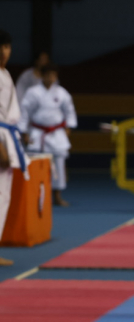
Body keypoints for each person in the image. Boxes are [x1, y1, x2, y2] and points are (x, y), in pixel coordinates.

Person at [17, 64, 77, 207]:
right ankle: (34, 195)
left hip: (56, 134)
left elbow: (69, 111)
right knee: (36, 166)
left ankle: (57, 196)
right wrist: (24, 132)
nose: (51, 77)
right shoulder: (33, 92)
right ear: (42, 76)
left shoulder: (62, 93)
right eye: (48, 74)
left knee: (59, 166)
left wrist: (68, 127)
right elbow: (25, 112)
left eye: (54, 75)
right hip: (38, 133)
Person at [0, 29, 23, 267]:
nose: (4, 52)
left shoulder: (5, 74)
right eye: (1, 47)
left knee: (3, 196)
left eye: (7, 47)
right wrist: (1, 148)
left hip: (7, 133)